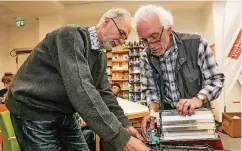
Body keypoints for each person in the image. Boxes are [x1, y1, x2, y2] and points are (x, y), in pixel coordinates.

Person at [6, 8, 150, 151]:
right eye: (121, 33)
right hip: (34, 111)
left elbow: (105, 93)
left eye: (125, 38)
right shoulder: (70, 36)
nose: (122, 41)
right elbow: (81, 89)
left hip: (64, 114)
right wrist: (121, 139)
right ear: (107, 21)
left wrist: (125, 124)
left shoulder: (100, 56)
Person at [132, 5, 225, 138]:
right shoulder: (146, 56)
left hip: (198, 119)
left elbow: (216, 79)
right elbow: (150, 90)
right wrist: (152, 112)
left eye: (154, 36)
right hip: (167, 121)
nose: (151, 45)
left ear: (168, 29)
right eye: (144, 40)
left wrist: (198, 98)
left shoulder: (196, 43)